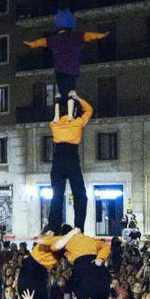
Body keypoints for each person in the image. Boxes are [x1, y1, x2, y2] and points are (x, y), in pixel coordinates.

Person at [23, 8, 110, 97]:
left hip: (59, 69)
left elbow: (41, 42)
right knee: (70, 90)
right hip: (72, 69)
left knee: (63, 89)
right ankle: (69, 100)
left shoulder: (54, 39)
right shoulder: (75, 37)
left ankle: (63, 100)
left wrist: (32, 44)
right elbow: (89, 36)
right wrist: (101, 35)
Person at [45, 94, 93, 233]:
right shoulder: (77, 123)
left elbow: (55, 112)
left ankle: (53, 226)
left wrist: (57, 102)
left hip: (58, 161)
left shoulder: (54, 124)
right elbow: (89, 110)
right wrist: (77, 97)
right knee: (80, 195)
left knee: (57, 195)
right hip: (72, 159)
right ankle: (78, 226)